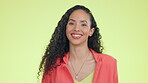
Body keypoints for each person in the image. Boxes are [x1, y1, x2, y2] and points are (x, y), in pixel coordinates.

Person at [38, 5, 118, 83]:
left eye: (83, 24)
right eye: (71, 23)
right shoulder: (53, 64)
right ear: (65, 28)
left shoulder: (109, 63)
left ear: (91, 31)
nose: (76, 28)